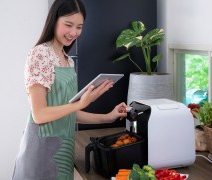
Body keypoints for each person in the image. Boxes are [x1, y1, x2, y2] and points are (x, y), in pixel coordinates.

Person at [12, 0, 127, 179]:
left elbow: (67, 113)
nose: (74, 32)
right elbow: (40, 114)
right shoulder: (40, 54)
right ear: (54, 20)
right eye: (68, 25)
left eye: (79, 27)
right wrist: (82, 103)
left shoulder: (68, 60)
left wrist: (108, 117)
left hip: (64, 150)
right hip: (41, 153)